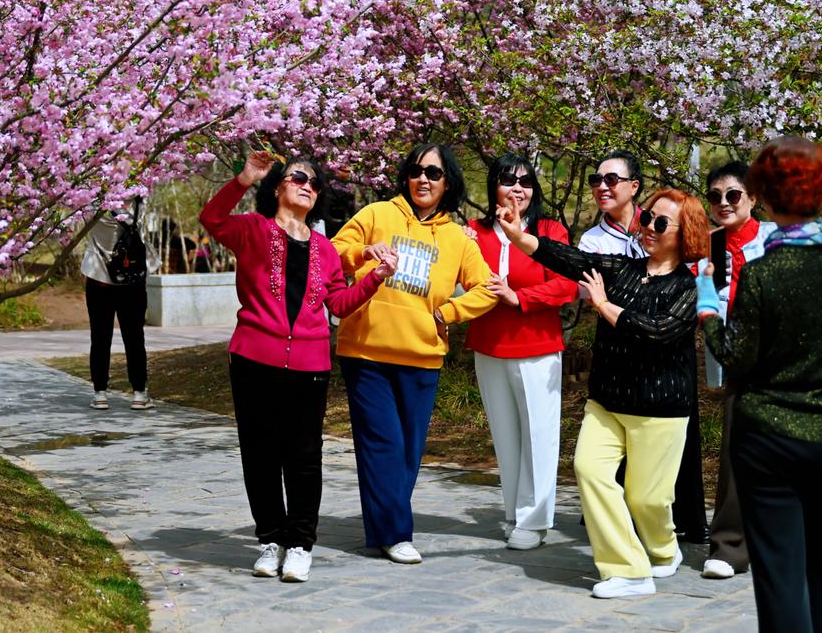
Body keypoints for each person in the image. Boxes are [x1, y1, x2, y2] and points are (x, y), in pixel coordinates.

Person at [696, 136, 822, 633]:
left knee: (780, 574)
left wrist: (708, 308)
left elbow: (737, 355)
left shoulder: (761, 275)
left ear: (765, 197)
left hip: (770, 440)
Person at [499, 188, 707, 599]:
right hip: (607, 401)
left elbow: (657, 332)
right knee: (590, 471)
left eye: (661, 223)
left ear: (685, 235)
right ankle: (628, 569)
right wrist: (520, 235)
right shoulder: (621, 269)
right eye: (647, 217)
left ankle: (664, 552)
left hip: (659, 408)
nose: (648, 227)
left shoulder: (687, 287)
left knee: (647, 500)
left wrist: (604, 306)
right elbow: (569, 258)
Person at [199, 151, 395, 584]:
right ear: (277, 187)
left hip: (309, 363)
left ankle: (301, 545)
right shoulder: (252, 229)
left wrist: (376, 277)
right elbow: (211, 219)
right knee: (260, 455)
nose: (308, 184)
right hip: (254, 359)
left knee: (304, 458)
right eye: (298, 177)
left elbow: (339, 305)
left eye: (315, 182)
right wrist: (244, 178)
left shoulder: (326, 250)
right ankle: (270, 541)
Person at [330, 141, 503, 564]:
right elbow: (330, 255)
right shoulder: (377, 214)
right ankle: (397, 533)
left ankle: (381, 528)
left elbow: (490, 287)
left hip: (422, 356)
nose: (423, 179)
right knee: (382, 443)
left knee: (407, 450)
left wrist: (449, 312)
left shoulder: (456, 238)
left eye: (434, 173)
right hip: (366, 352)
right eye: (416, 170)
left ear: (448, 183)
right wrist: (362, 251)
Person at [466, 153, 575, 551]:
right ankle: (513, 512)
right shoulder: (473, 232)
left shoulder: (549, 231)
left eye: (526, 182)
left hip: (538, 346)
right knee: (506, 435)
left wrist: (519, 297)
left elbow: (566, 286)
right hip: (490, 345)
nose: (518, 188)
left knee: (539, 435)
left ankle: (535, 519)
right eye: (508, 180)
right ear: (493, 185)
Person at [699, 159, 777, 580]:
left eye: (733, 195)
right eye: (715, 196)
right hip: (738, 362)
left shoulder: (775, 238)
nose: (723, 203)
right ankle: (728, 546)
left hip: (782, 360)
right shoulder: (706, 245)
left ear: (753, 198)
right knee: (735, 452)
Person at [84, 205, 152, 410]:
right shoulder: (139, 200)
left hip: (99, 278)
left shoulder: (91, 203)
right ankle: (139, 394)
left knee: (100, 337)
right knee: (134, 338)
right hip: (131, 279)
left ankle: (100, 394)